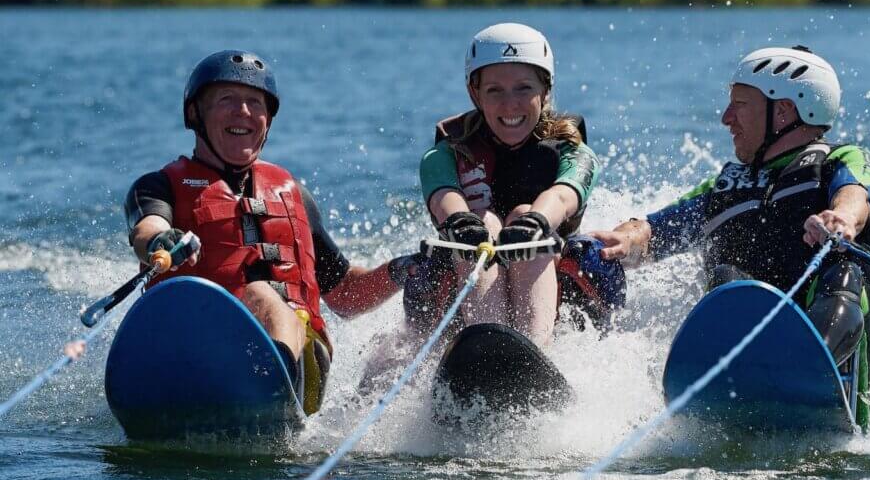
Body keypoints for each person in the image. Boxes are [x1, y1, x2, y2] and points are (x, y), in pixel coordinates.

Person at [123, 50, 420, 414]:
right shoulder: (158, 186)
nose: (243, 112)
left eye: (254, 103)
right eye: (227, 101)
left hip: (300, 366)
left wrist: (402, 269)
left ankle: (272, 394)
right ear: (194, 114)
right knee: (256, 294)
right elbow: (146, 227)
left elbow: (344, 294)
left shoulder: (292, 195)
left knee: (263, 295)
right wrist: (159, 240)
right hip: (191, 346)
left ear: (267, 120)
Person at [591, 46, 870, 404]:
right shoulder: (725, 187)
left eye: (741, 105)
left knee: (843, 276)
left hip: (839, 364)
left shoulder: (845, 161)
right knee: (728, 278)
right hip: (737, 367)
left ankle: (807, 370)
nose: (726, 118)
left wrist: (840, 218)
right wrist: (624, 239)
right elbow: (655, 229)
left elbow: (856, 194)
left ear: (783, 110)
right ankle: (736, 375)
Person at [416, 23, 611, 346]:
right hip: (471, 262)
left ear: (546, 90)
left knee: (522, 213)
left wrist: (536, 221)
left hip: (552, 265)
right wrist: (460, 221)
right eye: (495, 91)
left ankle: (532, 349)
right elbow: (442, 194)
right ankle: (489, 344)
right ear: (474, 93)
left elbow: (563, 195)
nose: (511, 105)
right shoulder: (445, 152)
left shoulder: (573, 150)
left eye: (523, 88)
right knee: (484, 221)